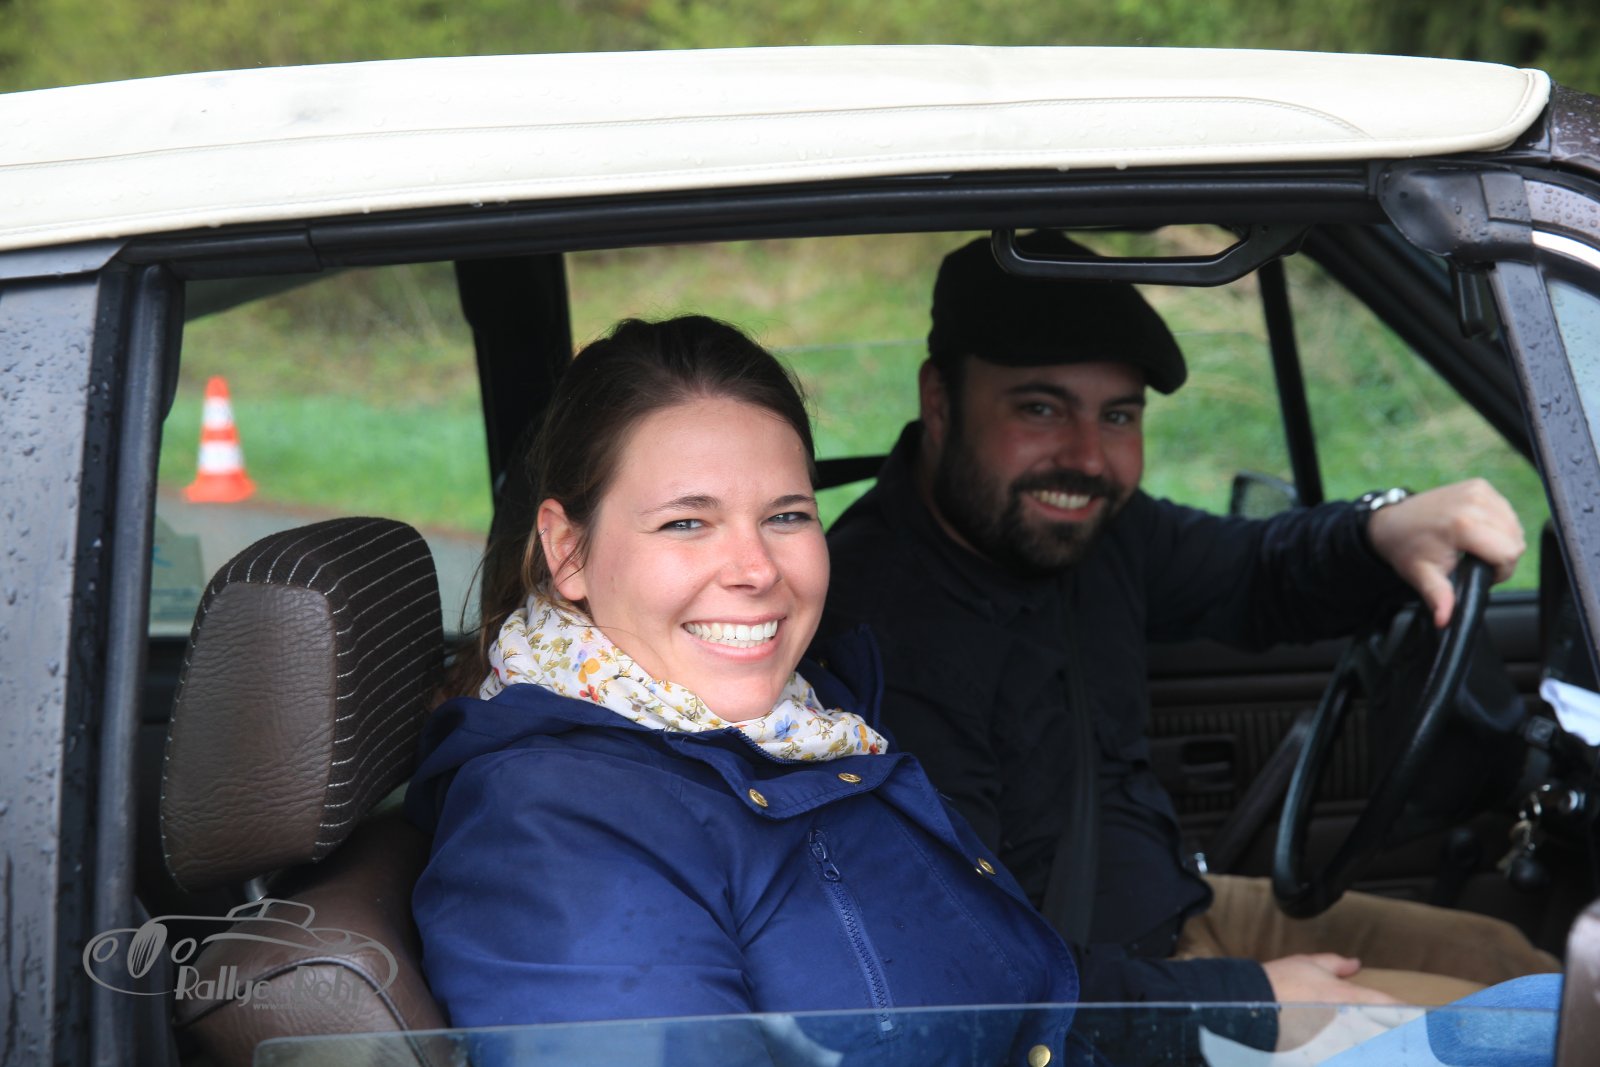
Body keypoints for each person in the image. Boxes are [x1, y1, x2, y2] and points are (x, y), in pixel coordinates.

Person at [823, 232, 1560, 1015]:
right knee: (1536, 1027)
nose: (1089, 458)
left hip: (1177, 915)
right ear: (940, 401)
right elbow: (965, 979)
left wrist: (1379, 530)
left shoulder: (1085, 529)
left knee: (1516, 962)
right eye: (1040, 408)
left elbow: (1254, 574)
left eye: (1118, 415)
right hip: (1094, 1004)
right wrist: (1244, 1000)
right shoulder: (882, 637)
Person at [405, 316, 1082, 1063]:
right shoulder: (551, 832)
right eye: (687, 522)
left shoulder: (808, 719)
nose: (757, 569)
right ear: (568, 551)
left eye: (786, 515)